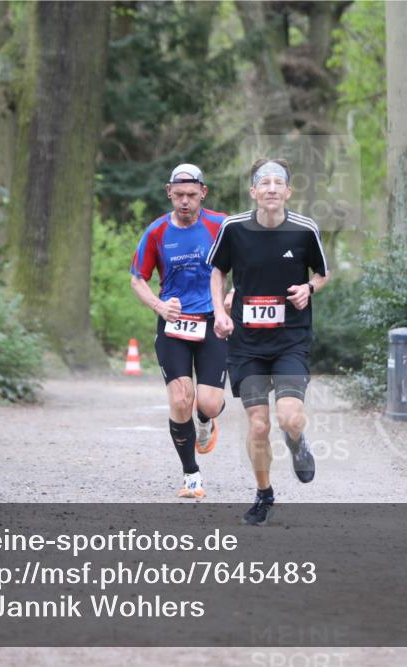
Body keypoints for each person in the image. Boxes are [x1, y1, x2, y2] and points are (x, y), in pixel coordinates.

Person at [208, 158, 329, 525]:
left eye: (279, 183)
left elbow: (322, 274)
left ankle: (297, 441)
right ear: (254, 192)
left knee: (290, 418)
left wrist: (308, 288)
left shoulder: (304, 230)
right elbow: (217, 272)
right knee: (258, 425)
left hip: (291, 339)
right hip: (246, 344)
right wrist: (220, 313)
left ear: (288, 192)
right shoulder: (233, 228)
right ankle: (264, 494)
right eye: (265, 182)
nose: (272, 188)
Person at [130, 164, 229, 499]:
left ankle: (206, 421)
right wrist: (158, 306)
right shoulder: (157, 232)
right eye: (179, 195)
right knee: (180, 398)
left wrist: (232, 296)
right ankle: (191, 475)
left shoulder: (221, 225)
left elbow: (246, 265)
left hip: (212, 321)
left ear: (203, 192)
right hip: (173, 323)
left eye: (191, 195)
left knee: (210, 403)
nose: (185, 201)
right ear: (168, 192)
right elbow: (137, 279)